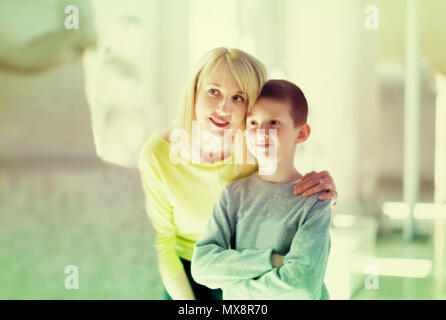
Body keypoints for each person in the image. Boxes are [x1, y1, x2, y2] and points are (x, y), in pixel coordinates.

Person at [138, 47, 337, 300]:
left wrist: (325, 190)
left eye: (239, 98)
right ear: (195, 91)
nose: (224, 107)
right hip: (186, 270)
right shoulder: (158, 154)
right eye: (213, 91)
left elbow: (287, 186)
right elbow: (161, 246)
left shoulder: (254, 143)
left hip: (250, 270)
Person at [191, 79, 332, 300]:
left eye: (274, 122)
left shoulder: (315, 199)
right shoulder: (233, 194)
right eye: (253, 123)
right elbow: (202, 267)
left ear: (301, 134)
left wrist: (234, 288)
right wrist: (274, 261)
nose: (261, 132)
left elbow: (302, 287)